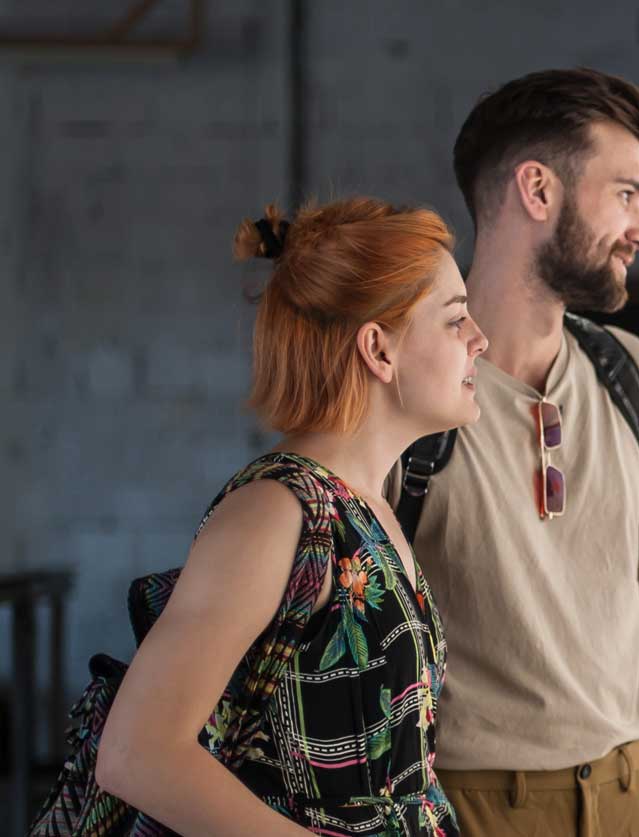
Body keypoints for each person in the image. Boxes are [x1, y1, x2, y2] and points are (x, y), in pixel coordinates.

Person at [94, 198, 486, 835]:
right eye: (455, 320)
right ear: (379, 351)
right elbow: (137, 754)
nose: (480, 339)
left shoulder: (372, 507)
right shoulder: (274, 513)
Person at [401, 68, 639, 835]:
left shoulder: (631, 373)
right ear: (538, 191)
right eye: (626, 194)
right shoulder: (406, 384)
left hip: (636, 790)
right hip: (475, 804)